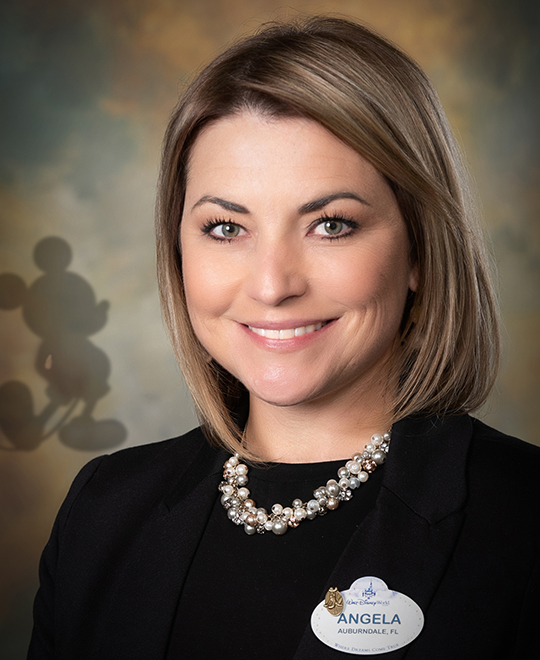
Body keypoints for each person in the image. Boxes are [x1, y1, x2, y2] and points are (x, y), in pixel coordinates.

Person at [28, 16, 539, 660]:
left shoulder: (525, 518)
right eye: (225, 228)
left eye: (331, 224)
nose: (272, 286)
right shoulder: (102, 511)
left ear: (419, 249)